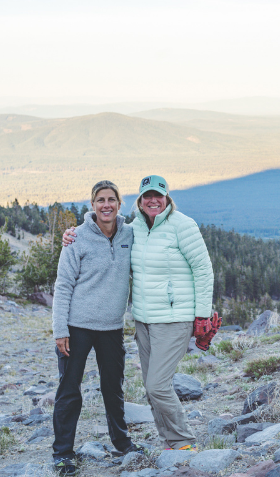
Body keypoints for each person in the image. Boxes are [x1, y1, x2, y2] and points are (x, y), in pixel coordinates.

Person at [63, 175, 214, 451]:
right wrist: (73, 233)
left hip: (174, 318)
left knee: (157, 385)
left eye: (158, 195)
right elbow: (99, 238)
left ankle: (184, 440)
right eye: (147, 196)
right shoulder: (134, 230)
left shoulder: (183, 226)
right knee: (151, 386)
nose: (153, 200)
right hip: (143, 321)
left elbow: (203, 270)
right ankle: (170, 441)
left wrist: (202, 315)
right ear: (139, 201)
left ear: (167, 197)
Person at [51, 180, 140, 476]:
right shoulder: (76, 238)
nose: (106, 205)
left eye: (111, 199)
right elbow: (63, 285)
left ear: (119, 204)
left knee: (113, 388)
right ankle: (63, 453)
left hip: (112, 328)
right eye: (100, 200)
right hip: (77, 327)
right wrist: (59, 329)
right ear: (92, 205)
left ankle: (122, 443)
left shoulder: (130, 233)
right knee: (69, 390)